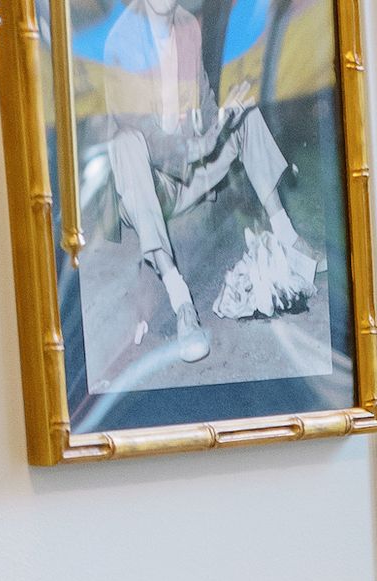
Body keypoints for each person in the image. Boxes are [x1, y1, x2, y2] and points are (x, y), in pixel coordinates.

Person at [99, 0, 315, 363]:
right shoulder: (121, 42)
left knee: (243, 112)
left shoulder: (186, 25)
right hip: (151, 187)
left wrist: (221, 116)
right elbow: (144, 131)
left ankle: (289, 238)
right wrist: (204, 143)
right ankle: (181, 300)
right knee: (125, 143)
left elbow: (202, 102)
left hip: (193, 167)